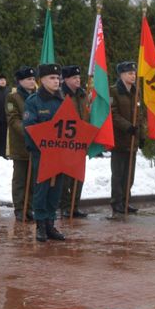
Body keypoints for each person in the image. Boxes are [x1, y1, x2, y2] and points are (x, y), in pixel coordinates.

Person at [24, 63, 66, 242]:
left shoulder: (62, 101)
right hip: (42, 153)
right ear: (42, 80)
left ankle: (50, 222)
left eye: (58, 78)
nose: (56, 81)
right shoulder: (33, 101)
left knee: (56, 189)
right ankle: (40, 224)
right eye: (52, 78)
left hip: (60, 154)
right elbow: (29, 127)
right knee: (42, 188)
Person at [109, 61, 145, 218]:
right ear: (122, 74)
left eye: (134, 73)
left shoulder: (136, 91)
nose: (133, 75)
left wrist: (141, 135)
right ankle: (116, 202)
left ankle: (125, 200)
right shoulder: (114, 91)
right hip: (119, 139)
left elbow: (140, 115)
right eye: (130, 73)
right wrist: (128, 127)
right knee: (118, 173)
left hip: (132, 140)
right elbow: (113, 114)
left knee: (130, 174)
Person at [59, 65, 90, 219]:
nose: (78, 80)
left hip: (81, 141)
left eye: (79, 78)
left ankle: (74, 205)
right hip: (65, 142)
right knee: (65, 177)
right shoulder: (60, 95)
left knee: (78, 175)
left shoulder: (83, 95)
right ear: (65, 79)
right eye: (74, 78)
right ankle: (64, 206)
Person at [6, 66, 37, 220]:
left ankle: (29, 208)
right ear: (20, 81)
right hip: (21, 145)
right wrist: (28, 131)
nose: (32, 82)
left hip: (37, 144)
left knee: (32, 180)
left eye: (33, 79)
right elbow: (13, 119)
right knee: (20, 179)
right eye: (28, 79)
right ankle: (20, 209)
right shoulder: (13, 97)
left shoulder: (38, 97)